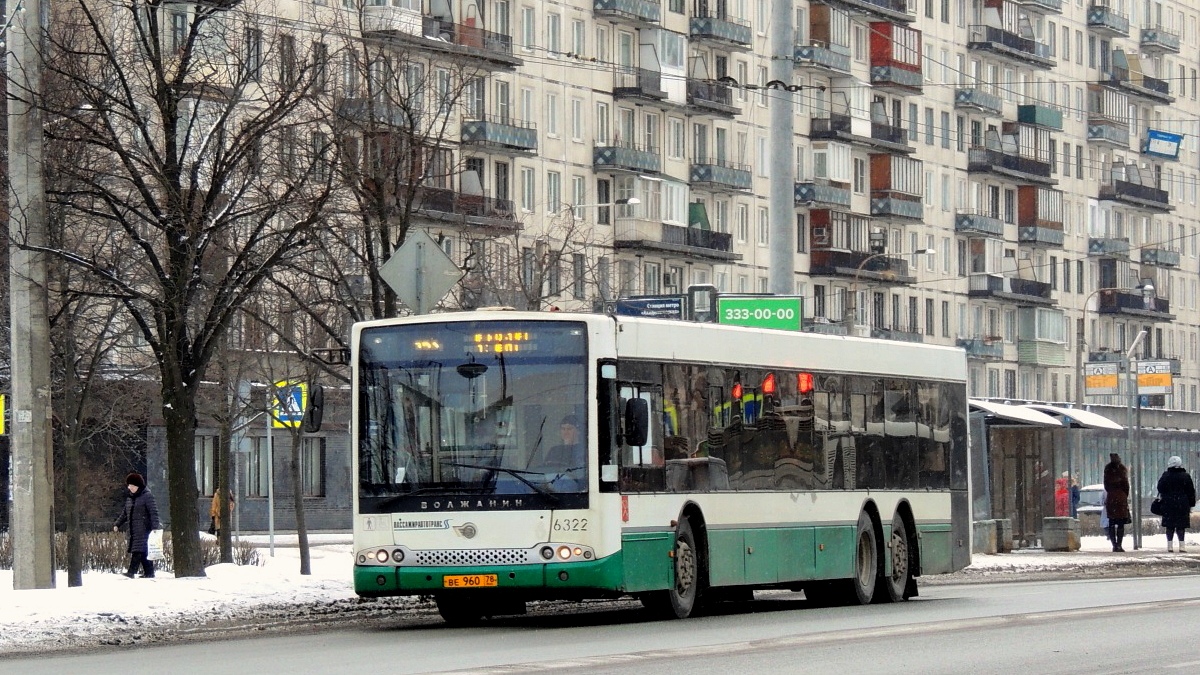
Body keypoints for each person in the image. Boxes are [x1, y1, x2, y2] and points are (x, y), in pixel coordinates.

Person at [113, 472, 161, 578]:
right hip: (134, 530)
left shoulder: (147, 496)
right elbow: (125, 513)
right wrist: (117, 524)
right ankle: (149, 572)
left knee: (137, 551)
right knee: (143, 552)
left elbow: (153, 512)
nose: (129, 488)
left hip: (144, 530)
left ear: (137, 486)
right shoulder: (130, 498)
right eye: (129, 485)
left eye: (131, 485)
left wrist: (155, 527)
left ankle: (131, 572)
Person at [1157, 455, 1197, 553]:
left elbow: (1160, 488)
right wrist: (1191, 504)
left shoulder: (1166, 475)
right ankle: (1182, 546)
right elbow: (1191, 491)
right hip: (1182, 503)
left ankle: (1170, 546)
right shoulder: (1186, 476)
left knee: (1169, 525)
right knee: (1181, 525)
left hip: (1168, 503)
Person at [1103, 453, 1132, 552]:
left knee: (1111, 521)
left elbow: (1106, 485)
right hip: (1121, 498)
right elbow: (1126, 484)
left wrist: (1111, 492)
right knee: (1120, 522)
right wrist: (1124, 495)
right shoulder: (1122, 469)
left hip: (1111, 497)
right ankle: (1119, 545)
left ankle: (1114, 545)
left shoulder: (1108, 469)